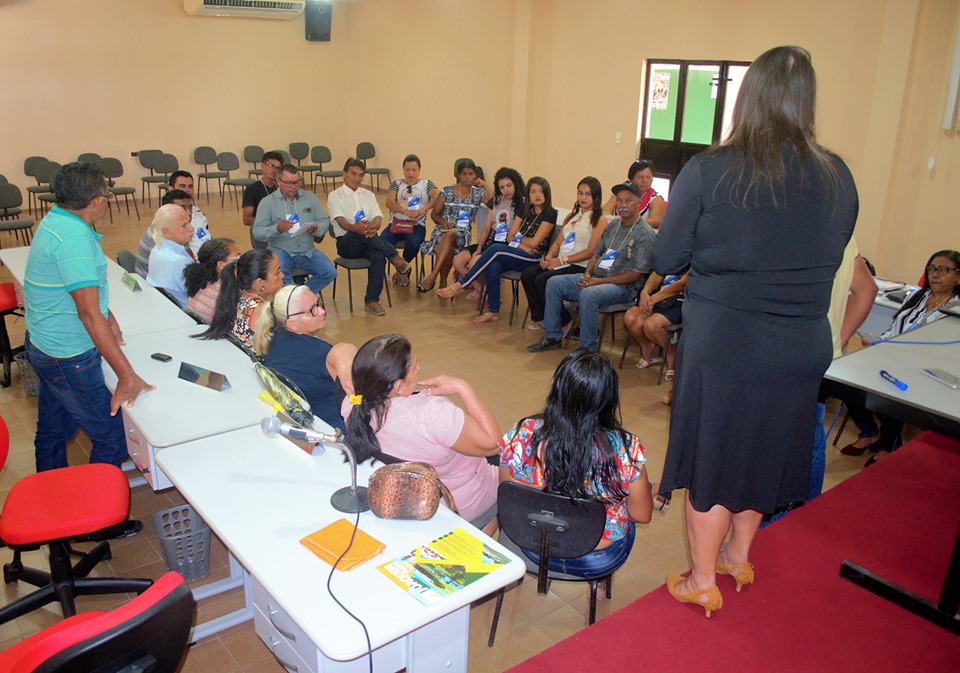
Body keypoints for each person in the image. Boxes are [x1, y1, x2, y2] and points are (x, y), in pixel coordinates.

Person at [651, 46, 858, 617]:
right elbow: (831, 253)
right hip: (801, 344)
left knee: (712, 459)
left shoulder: (712, 169)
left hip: (727, 341)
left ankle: (701, 578)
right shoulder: (837, 174)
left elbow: (667, 253)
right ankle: (739, 556)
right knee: (765, 450)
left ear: (748, 98)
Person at [23, 161, 154, 474]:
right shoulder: (74, 240)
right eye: (106, 196)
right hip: (68, 356)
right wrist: (126, 374)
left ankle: (53, 495)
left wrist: (107, 313)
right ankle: (97, 521)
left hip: (45, 343)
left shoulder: (57, 219)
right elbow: (86, 313)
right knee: (112, 438)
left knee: (53, 430)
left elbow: (75, 290)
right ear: (96, 201)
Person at [499, 349, 653, 573]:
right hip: (596, 557)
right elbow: (642, 515)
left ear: (556, 388)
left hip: (531, 544)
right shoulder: (625, 450)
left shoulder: (522, 432)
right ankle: (599, 582)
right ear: (608, 398)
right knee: (631, 502)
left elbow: (507, 490)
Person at [342, 334, 502, 534]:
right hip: (457, 502)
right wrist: (462, 387)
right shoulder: (433, 413)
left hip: (412, 495)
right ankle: (483, 537)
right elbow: (494, 444)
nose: (420, 368)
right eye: (415, 367)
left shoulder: (353, 405)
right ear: (399, 387)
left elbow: (339, 354)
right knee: (517, 465)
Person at [839, 249, 960, 465]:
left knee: (891, 391)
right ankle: (869, 433)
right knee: (849, 383)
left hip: (923, 368)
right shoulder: (920, 296)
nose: (935, 274)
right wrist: (877, 341)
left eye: (943, 270)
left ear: (958, 276)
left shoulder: (955, 310)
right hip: (889, 354)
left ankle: (889, 444)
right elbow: (895, 326)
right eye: (932, 269)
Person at [528, 181, 655, 353]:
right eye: (619, 200)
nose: (623, 205)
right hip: (597, 279)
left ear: (639, 203)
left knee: (589, 294)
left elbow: (635, 275)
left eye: (629, 200)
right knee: (554, 283)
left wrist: (596, 282)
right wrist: (587, 273)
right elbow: (596, 253)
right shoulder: (613, 226)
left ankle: (587, 348)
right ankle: (553, 336)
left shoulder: (644, 233)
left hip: (623, 287)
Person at [438, 176, 557, 324]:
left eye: (540, 191)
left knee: (496, 249)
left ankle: (461, 283)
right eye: (533, 191)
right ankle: (493, 311)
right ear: (529, 193)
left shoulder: (550, 213)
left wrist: (522, 243)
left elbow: (535, 243)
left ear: (547, 193)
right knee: (493, 266)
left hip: (535, 257)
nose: (537, 195)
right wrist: (523, 245)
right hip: (519, 252)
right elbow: (509, 237)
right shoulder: (525, 209)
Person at [253, 285, 357, 433]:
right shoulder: (318, 352)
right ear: (292, 324)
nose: (322, 311)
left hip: (310, 419)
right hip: (334, 425)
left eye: (318, 304)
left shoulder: (271, 340)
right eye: (312, 310)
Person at [326, 158, 411, 316]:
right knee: (360, 231)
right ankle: (394, 257)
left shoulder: (368, 194)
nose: (357, 178)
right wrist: (356, 228)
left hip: (369, 240)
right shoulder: (335, 196)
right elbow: (341, 221)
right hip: (347, 243)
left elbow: (378, 217)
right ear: (344, 174)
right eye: (353, 174)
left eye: (360, 175)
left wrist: (374, 226)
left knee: (378, 256)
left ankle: (372, 300)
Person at [521, 177, 605, 330]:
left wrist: (561, 261)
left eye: (588, 194)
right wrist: (548, 257)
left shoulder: (599, 219)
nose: (583, 198)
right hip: (560, 262)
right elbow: (558, 242)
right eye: (580, 193)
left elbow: (590, 252)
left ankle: (565, 319)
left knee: (542, 280)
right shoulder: (572, 216)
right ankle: (539, 316)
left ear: (596, 197)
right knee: (528, 274)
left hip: (579, 265)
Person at [252, 164, 337, 296]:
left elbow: (324, 221)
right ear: (278, 182)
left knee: (330, 271)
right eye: (289, 183)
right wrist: (277, 228)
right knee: (281, 274)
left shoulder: (310, 198)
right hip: (281, 250)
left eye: (297, 182)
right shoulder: (267, 202)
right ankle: (294, 301)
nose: (294, 187)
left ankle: (298, 296)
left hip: (307, 250)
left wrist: (316, 228)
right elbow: (257, 232)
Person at [418, 158, 493, 293]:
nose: (467, 177)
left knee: (451, 235)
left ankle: (432, 276)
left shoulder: (478, 193)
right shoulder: (446, 191)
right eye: (464, 174)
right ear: (458, 175)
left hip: (463, 233)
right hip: (442, 229)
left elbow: (494, 203)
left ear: (475, 175)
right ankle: (442, 282)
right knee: (449, 244)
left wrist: (485, 185)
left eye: (471, 174)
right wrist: (443, 222)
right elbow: (434, 214)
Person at [453, 167, 526, 301]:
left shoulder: (522, 203)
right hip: (489, 241)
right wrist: (479, 248)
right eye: (502, 187)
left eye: (509, 185)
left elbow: (516, 233)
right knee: (458, 260)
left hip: (505, 244)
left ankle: (480, 290)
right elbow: (486, 228)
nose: (506, 190)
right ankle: (480, 289)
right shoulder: (496, 200)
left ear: (516, 183)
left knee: (475, 262)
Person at [197, 248, 284, 351]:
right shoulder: (263, 312)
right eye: (277, 272)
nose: (282, 275)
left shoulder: (236, 297)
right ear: (260, 283)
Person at [380, 154, 439, 285]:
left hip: (416, 225)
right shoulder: (396, 184)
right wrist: (405, 211)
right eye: (407, 170)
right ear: (403, 169)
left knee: (413, 243)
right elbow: (389, 201)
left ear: (419, 170)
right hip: (396, 223)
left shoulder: (426, 184)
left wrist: (424, 210)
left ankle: (402, 269)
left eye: (414, 170)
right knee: (381, 242)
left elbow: (437, 196)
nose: (410, 173)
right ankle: (401, 266)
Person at [624, 271, 688, 373]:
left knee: (651, 325)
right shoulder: (666, 258)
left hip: (679, 300)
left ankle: (671, 351)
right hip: (658, 297)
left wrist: (653, 299)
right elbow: (657, 274)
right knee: (631, 318)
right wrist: (645, 293)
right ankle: (646, 347)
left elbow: (683, 283)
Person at [134, 189, 194, 277]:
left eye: (190, 208)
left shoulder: (178, 226)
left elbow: (188, 256)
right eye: (183, 208)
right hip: (150, 283)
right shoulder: (157, 234)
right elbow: (174, 270)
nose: (189, 212)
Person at [146, 204, 195, 306]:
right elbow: (195, 294)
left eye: (189, 222)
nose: (191, 229)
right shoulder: (179, 261)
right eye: (184, 225)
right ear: (166, 232)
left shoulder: (157, 249)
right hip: (186, 312)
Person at [184, 238, 240, 324]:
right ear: (221, 264)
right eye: (236, 259)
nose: (241, 262)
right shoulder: (227, 291)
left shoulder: (201, 280)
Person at [601, 159, 666, 229]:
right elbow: (605, 212)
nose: (644, 181)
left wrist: (630, 223)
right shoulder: (620, 193)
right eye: (641, 177)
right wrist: (617, 222)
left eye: (648, 177)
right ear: (632, 178)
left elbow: (656, 220)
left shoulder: (655, 198)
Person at [166, 170, 211, 255]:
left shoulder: (198, 212)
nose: (187, 190)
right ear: (170, 189)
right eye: (182, 186)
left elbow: (206, 235)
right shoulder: (166, 218)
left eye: (190, 186)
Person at [242, 151, 283, 227]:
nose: (274, 170)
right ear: (262, 166)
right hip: (262, 230)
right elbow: (246, 220)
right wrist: (270, 223)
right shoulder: (252, 189)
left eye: (278, 168)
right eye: (271, 166)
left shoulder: (281, 188)